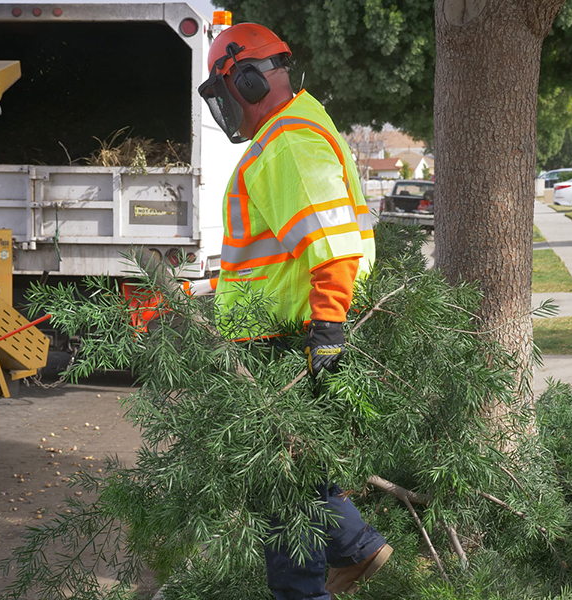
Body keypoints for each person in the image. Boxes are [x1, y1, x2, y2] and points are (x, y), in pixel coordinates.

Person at [198, 22, 392, 600]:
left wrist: (327, 331)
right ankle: (356, 550)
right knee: (297, 476)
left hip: (287, 341)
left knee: (281, 489)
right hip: (291, 332)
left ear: (250, 80)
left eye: (227, 88)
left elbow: (330, 241)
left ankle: (343, 559)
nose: (227, 104)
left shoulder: (286, 142)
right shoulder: (299, 130)